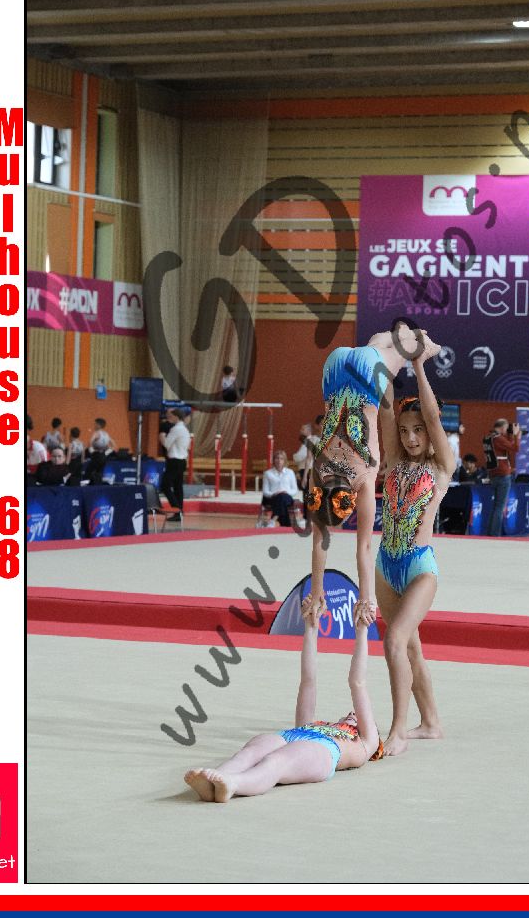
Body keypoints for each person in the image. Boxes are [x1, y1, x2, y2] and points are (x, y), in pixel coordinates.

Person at [184, 596, 381, 802]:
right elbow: (308, 681)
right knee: (249, 754)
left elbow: (357, 683)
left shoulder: (366, 743)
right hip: (293, 735)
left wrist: (362, 631)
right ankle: (215, 781)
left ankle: (233, 784)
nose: (353, 713)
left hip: (325, 749)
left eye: (358, 716)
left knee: (276, 761)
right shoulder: (312, 725)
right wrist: (310, 627)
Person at [304, 320, 428, 626]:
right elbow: (320, 544)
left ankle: (418, 338)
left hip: (366, 377)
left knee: (411, 347)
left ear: (347, 506)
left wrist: (366, 598)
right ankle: (396, 333)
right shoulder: (318, 475)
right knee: (375, 343)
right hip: (334, 367)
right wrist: (317, 592)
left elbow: (365, 547)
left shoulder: (363, 480)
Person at [375, 333, 452, 756]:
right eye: (405, 432)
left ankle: (399, 731)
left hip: (420, 566)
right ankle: (431, 722)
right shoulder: (393, 462)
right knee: (410, 647)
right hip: (386, 564)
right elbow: (387, 410)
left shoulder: (441, 466)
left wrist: (419, 364)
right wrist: (390, 362)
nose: (410, 438)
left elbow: (434, 416)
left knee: (394, 641)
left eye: (417, 430)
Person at [483, 417, 521, 536]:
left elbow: (505, 448)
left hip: (493, 474)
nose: (506, 430)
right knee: (500, 507)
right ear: (501, 427)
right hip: (503, 474)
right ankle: (495, 534)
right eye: (505, 428)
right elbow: (515, 448)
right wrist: (517, 436)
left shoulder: (488, 438)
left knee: (495, 506)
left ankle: (490, 533)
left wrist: (510, 435)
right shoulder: (498, 438)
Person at [160, 408, 191, 523]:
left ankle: (177, 509)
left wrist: (162, 436)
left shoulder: (176, 429)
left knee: (164, 485)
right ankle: (179, 512)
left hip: (174, 461)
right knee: (178, 487)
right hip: (182, 460)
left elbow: (167, 444)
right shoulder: (185, 429)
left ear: (176, 417)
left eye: (171, 416)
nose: (169, 418)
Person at [259, 450, 303, 527]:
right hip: (273, 498)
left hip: (287, 497)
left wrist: (286, 492)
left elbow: (295, 490)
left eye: (281, 458)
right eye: (277, 458)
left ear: (284, 461)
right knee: (282, 498)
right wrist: (274, 494)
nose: (279, 460)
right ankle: (285, 523)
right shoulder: (268, 473)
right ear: (273, 460)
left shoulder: (290, 472)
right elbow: (265, 491)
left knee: (283, 497)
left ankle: (274, 519)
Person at [85, 417, 115, 484]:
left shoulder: (96, 433)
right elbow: (113, 445)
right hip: (103, 456)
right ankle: (98, 486)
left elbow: (89, 442)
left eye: (95, 424)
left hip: (96, 455)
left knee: (89, 472)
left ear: (98, 425)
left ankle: (87, 486)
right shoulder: (106, 434)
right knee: (99, 473)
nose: (94, 426)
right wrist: (106, 453)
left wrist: (92, 452)